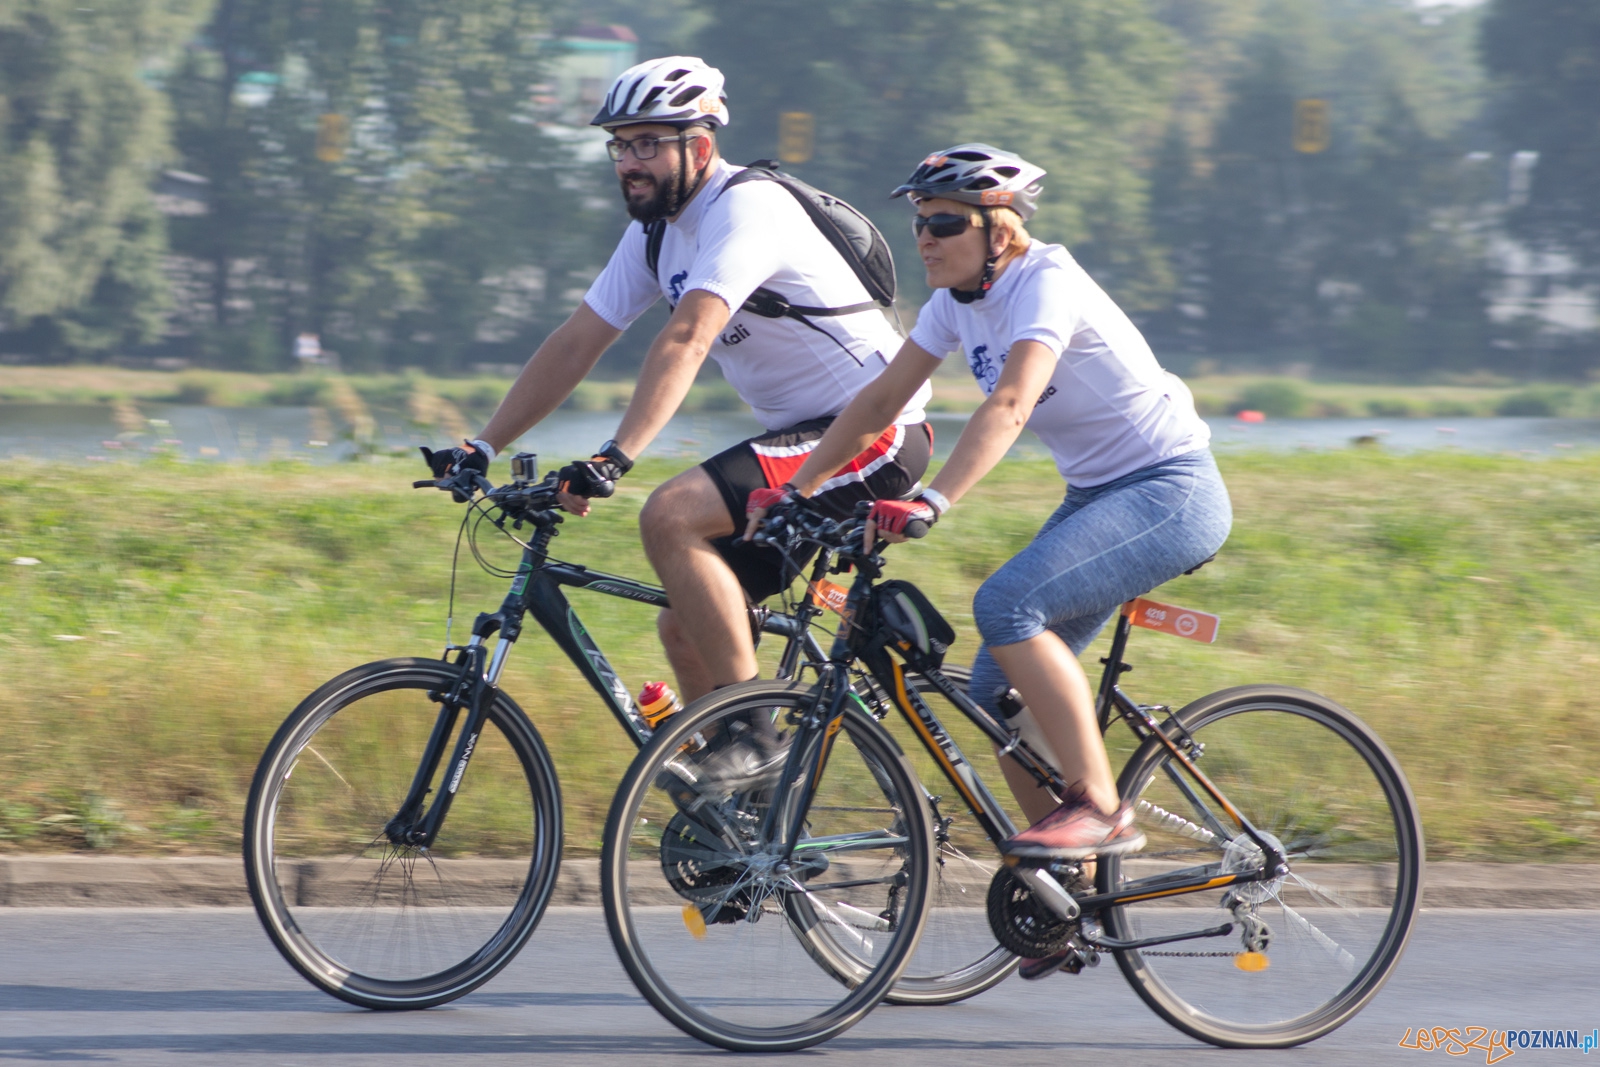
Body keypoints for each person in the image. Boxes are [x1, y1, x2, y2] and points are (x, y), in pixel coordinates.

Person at [746, 145, 1231, 975]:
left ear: (998, 231)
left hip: (1170, 489)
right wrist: (800, 486)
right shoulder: (954, 303)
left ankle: (1100, 808)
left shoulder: (1047, 281)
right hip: (1098, 495)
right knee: (993, 694)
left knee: (1007, 608)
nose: (925, 240)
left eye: (942, 223)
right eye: (919, 223)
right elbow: (876, 402)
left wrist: (933, 499)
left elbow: (1008, 404)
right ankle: (1060, 893)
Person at [423, 57, 931, 704]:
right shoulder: (656, 236)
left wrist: (616, 455)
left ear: (699, 145)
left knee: (670, 514)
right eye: (619, 144)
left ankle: (748, 732)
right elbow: (578, 340)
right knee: (687, 628)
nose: (628, 161)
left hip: (872, 429)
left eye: (646, 144)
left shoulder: (747, 207)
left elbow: (689, 336)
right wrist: (484, 444)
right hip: (802, 437)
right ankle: (746, 796)